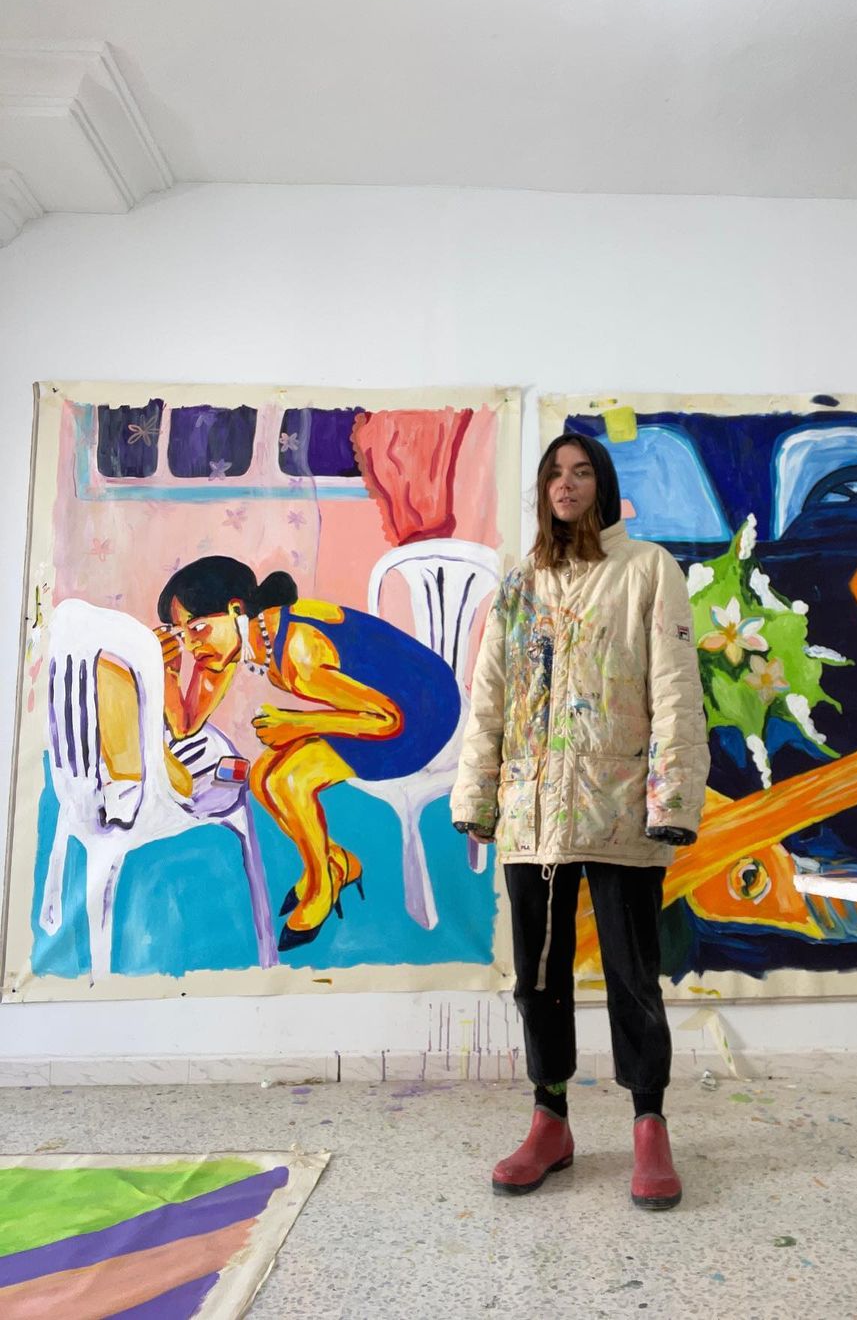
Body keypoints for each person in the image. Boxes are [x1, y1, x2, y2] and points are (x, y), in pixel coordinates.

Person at [451, 433, 708, 1210]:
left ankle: (649, 1124)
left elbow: (676, 688)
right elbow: (489, 699)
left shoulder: (647, 569)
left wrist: (673, 800)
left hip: (621, 808)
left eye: (581, 471)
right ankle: (550, 1120)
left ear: (603, 483)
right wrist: (477, 798)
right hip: (532, 816)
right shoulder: (520, 584)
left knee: (633, 976)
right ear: (543, 490)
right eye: (554, 474)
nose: (566, 484)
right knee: (537, 980)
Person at [155, 557, 460, 951]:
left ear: (235, 610)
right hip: (375, 713)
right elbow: (185, 725)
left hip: (422, 718)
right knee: (262, 777)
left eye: (196, 629)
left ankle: (321, 886)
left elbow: (388, 719)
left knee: (290, 779)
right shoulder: (234, 641)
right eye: (180, 634)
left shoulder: (299, 651)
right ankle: (334, 863)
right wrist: (168, 669)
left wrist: (298, 724)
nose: (191, 644)